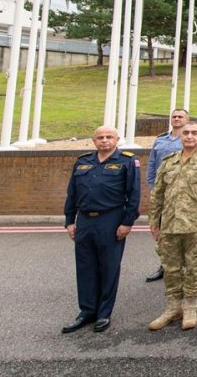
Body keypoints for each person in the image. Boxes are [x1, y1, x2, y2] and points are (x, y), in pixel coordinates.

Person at [147, 121, 197, 331]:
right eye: (186, 133)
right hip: (170, 225)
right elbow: (157, 193)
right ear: (180, 135)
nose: (190, 136)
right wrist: (154, 221)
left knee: (193, 268)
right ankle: (174, 308)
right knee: (171, 268)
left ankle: (190, 306)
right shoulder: (168, 161)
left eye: (194, 133)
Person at [61, 126, 140, 334]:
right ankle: (87, 311)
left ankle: (104, 313)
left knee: (109, 267)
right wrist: (70, 221)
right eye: (100, 138)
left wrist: (127, 222)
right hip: (85, 220)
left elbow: (133, 195)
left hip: (111, 219)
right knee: (85, 267)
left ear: (117, 139)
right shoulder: (83, 162)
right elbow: (72, 194)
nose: (104, 141)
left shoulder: (127, 161)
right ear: (94, 141)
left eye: (109, 137)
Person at [144, 108, 188, 283]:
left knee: (184, 231)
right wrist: (153, 187)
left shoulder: (190, 139)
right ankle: (164, 265)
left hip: (183, 194)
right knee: (161, 231)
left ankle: (182, 267)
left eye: (180, 116)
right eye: (174, 116)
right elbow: (152, 165)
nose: (176, 119)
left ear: (187, 119)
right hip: (163, 193)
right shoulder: (160, 140)